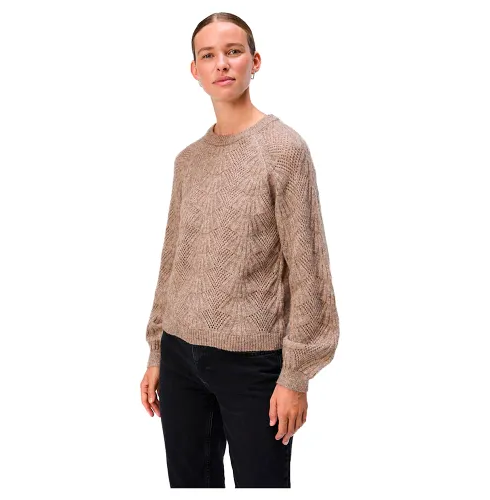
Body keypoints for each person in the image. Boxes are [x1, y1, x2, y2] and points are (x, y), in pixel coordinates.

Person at [139, 12, 340, 488]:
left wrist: (296, 376)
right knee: (189, 485)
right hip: (179, 355)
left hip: (252, 361)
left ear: (255, 61)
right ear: (195, 70)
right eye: (208, 55)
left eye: (233, 51)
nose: (222, 64)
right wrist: (156, 351)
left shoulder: (284, 149)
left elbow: (308, 268)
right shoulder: (188, 160)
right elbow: (173, 260)